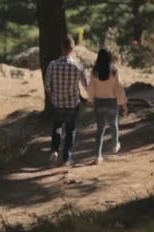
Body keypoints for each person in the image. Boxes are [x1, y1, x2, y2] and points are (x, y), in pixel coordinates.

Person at [44, 35, 88, 166]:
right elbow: (86, 85)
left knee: (57, 126)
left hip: (57, 103)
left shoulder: (52, 65)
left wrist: (52, 97)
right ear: (73, 48)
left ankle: (54, 151)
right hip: (72, 104)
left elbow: (47, 85)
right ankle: (67, 158)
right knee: (70, 130)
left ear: (61, 48)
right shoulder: (78, 66)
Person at [87, 48, 128, 165]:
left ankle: (97, 156)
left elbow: (91, 88)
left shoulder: (94, 72)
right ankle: (115, 145)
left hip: (99, 102)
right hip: (111, 102)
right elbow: (119, 88)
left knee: (100, 130)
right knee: (113, 124)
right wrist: (124, 104)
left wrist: (91, 100)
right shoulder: (114, 71)